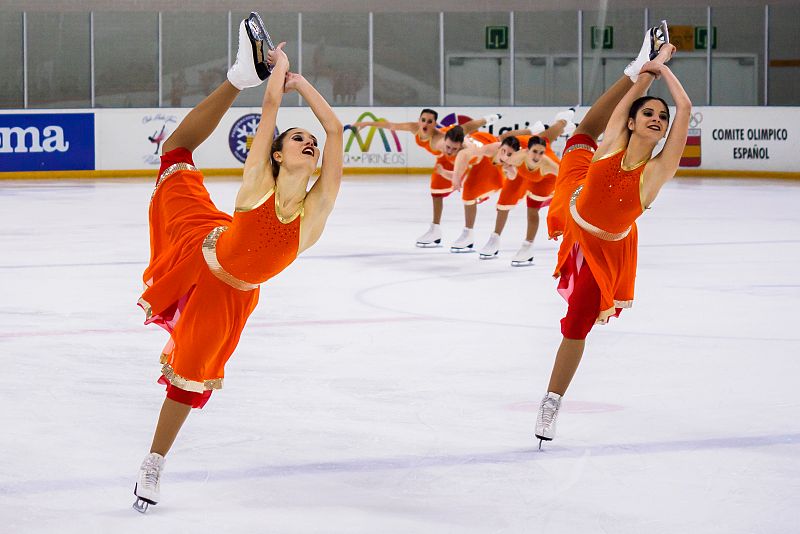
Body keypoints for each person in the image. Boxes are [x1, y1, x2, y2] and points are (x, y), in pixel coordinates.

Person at [132, 13, 343, 511]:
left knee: (186, 380)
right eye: (297, 138)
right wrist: (278, 74)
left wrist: (303, 84)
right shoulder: (257, 185)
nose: (308, 142)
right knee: (175, 154)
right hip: (198, 247)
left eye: (309, 143)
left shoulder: (314, 215)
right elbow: (271, 107)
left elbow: (334, 129)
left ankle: (153, 463)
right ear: (274, 154)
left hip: (228, 297)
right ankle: (235, 77)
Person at [534, 22, 689, 447]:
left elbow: (685, 109)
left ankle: (551, 400)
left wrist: (662, 70)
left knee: (577, 324)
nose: (657, 119)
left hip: (607, 244)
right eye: (649, 114)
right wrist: (647, 70)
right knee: (584, 134)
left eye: (662, 117)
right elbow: (623, 106)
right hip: (575, 200)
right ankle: (635, 63)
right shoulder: (614, 144)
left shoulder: (656, 172)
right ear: (635, 122)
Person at [351, 110, 501, 247]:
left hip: (469, 160)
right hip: (446, 158)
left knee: (469, 194)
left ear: (435, 124)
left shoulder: (445, 142)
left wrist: (451, 175)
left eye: (430, 121)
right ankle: (435, 230)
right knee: (436, 189)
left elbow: (460, 170)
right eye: (423, 120)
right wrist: (367, 123)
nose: (425, 124)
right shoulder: (415, 128)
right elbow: (392, 125)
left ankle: (468, 234)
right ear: (419, 120)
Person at [476, 112, 572, 264]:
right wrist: (508, 170)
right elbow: (510, 172)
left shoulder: (549, 164)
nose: (537, 156)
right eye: (534, 152)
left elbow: (569, 179)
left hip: (544, 180)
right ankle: (494, 238)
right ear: (526, 150)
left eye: (540, 152)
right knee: (503, 203)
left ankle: (528, 247)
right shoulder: (516, 155)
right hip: (523, 172)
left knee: (532, 209)